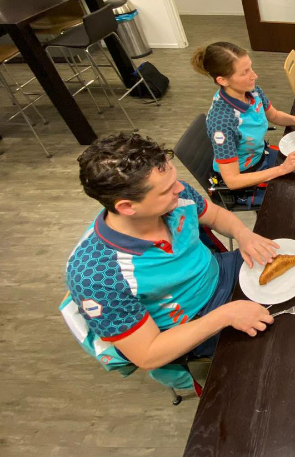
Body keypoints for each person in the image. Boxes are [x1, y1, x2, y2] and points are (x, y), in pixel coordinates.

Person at [60, 133, 279, 389]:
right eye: (166, 190)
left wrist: (243, 234)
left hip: (221, 270)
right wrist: (226, 314)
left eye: (174, 179)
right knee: (276, 356)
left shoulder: (176, 195)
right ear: (127, 207)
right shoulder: (97, 275)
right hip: (192, 322)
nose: (180, 189)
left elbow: (215, 216)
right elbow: (147, 354)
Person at [192, 42, 295, 207]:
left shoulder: (252, 91)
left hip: (261, 156)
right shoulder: (222, 122)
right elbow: (233, 180)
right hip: (246, 178)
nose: (254, 75)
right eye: (245, 72)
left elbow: (274, 115)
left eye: (250, 68)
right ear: (223, 80)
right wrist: (281, 170)